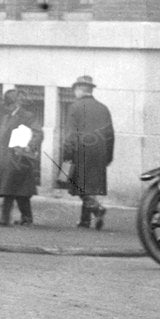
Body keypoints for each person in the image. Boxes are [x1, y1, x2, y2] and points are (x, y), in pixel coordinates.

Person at [61, 75, 115, 230]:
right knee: (89, 185)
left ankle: (96, 208)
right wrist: (108, 156)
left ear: (78, 89)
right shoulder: (103, 108)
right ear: (91, 90)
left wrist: (67, 155)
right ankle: (85, 220)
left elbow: (70, 134)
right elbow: (110, 134)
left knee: (79, 185)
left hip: (80, 151)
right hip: (99, 151)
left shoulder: (74, 107)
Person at [0, 89, 41, 226]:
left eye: (10, 104)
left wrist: (30, 145)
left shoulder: (27, 116)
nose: (8, 107)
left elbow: (37, 133)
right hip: (7, 157)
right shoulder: (7, 117)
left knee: (10, 188)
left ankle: (5, 218)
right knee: (18, 189)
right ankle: (26, 218)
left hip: (20, 157)